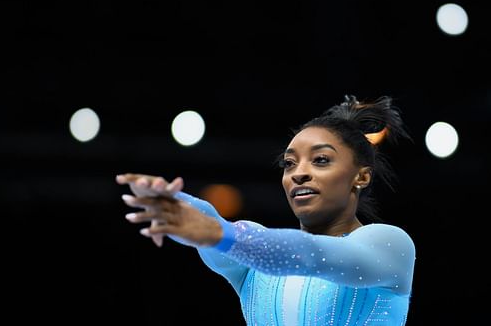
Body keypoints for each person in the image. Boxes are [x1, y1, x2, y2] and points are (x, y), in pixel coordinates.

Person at [116, 95, 416, 325]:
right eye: (289, 163)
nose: (298, 173)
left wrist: (219, 233)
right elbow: (213, 222)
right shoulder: (249, 262)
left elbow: (310, 255)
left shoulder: (388, 245)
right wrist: (175, 203)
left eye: (321, 160)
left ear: (360, 176)